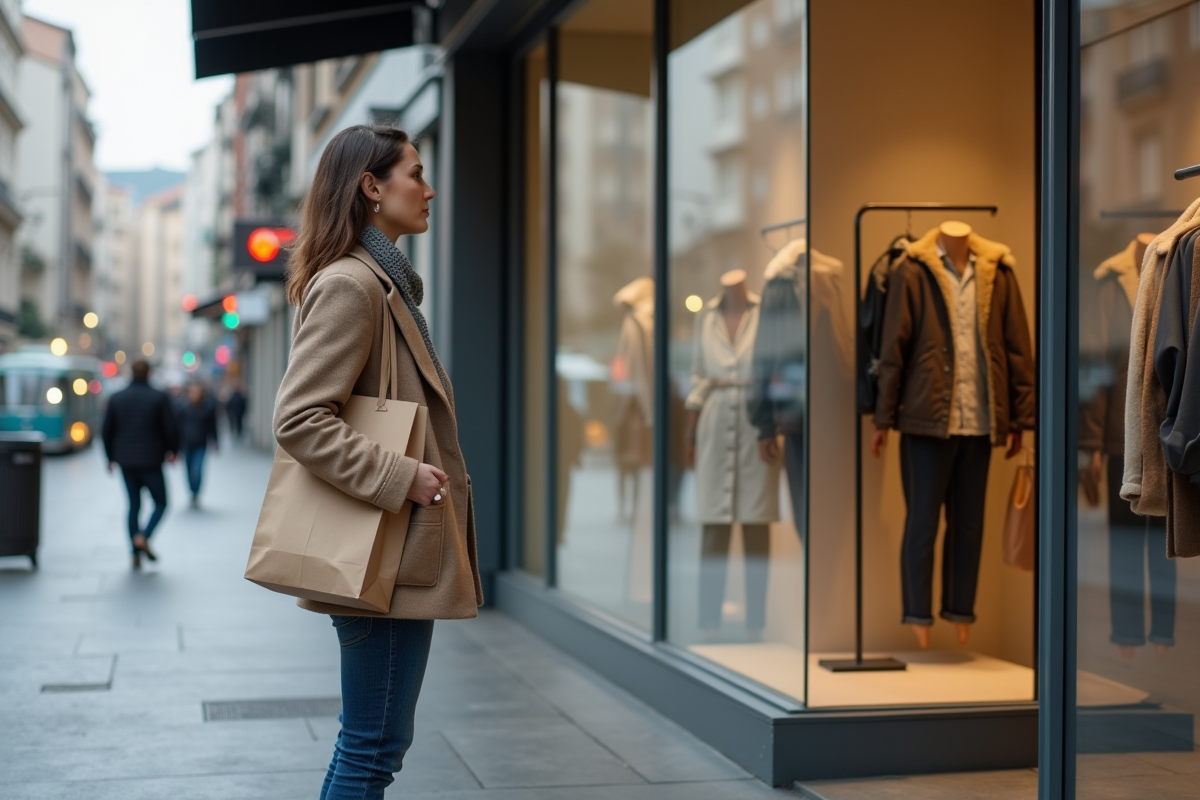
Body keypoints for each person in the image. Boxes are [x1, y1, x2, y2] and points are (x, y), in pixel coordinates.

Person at [272, 125, 482, 800]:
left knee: (371, 743)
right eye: (415, 174)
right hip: (378, 552)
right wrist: (403, 477)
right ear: (371, 186)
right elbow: (300, 418)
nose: (428, 188)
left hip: (386, 547)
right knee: (371, 748)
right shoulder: (353, 287)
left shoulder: (384, 284)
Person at [101, 359, 179, 570]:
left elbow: (106, 431)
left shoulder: (117, 398)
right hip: (152, 460)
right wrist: (174, 451)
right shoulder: (159, 397)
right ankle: (143, 536)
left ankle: (135, 552)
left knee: (134, 505)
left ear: (130, 373)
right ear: (149, 373)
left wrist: (109, 458)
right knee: (161, 502)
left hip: (126, 461)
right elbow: (170, 427)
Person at [176, 383, 219, 508]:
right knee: (189, 469)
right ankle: (191, 491)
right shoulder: (183, 408)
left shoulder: (208, 408)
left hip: (201, 444)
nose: (194, 395)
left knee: (198, 469)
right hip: (186, 444)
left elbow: (213, 427)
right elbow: (177, 428)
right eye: (192, 392)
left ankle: (196, 493)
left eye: (196, 392)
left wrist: (215, 442)